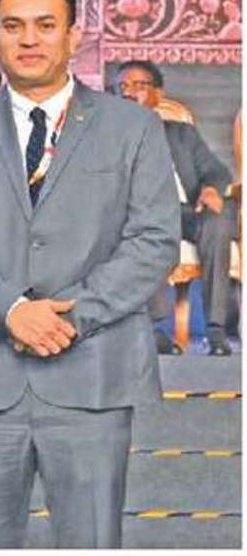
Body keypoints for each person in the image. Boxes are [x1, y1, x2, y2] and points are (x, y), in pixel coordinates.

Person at [0, 0, 176, 548]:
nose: (28, 39)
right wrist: (12, 310)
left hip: (94, 373)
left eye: (45, 25)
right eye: (13, 26)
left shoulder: (133, 127)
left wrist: (67, 317)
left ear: (74, 34)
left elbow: (153, 240)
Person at [116, 60, 236, 356]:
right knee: (149, 227)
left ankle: (216, 330)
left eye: (138, 86)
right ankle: (155, 330)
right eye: (122, 87)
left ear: (157, 94)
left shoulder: (182, 133)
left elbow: (216, 171)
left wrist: (211, 188)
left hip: (188, 212)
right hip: (141, 214)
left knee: (218, 221)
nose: (128, 92)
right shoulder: (107, 137)